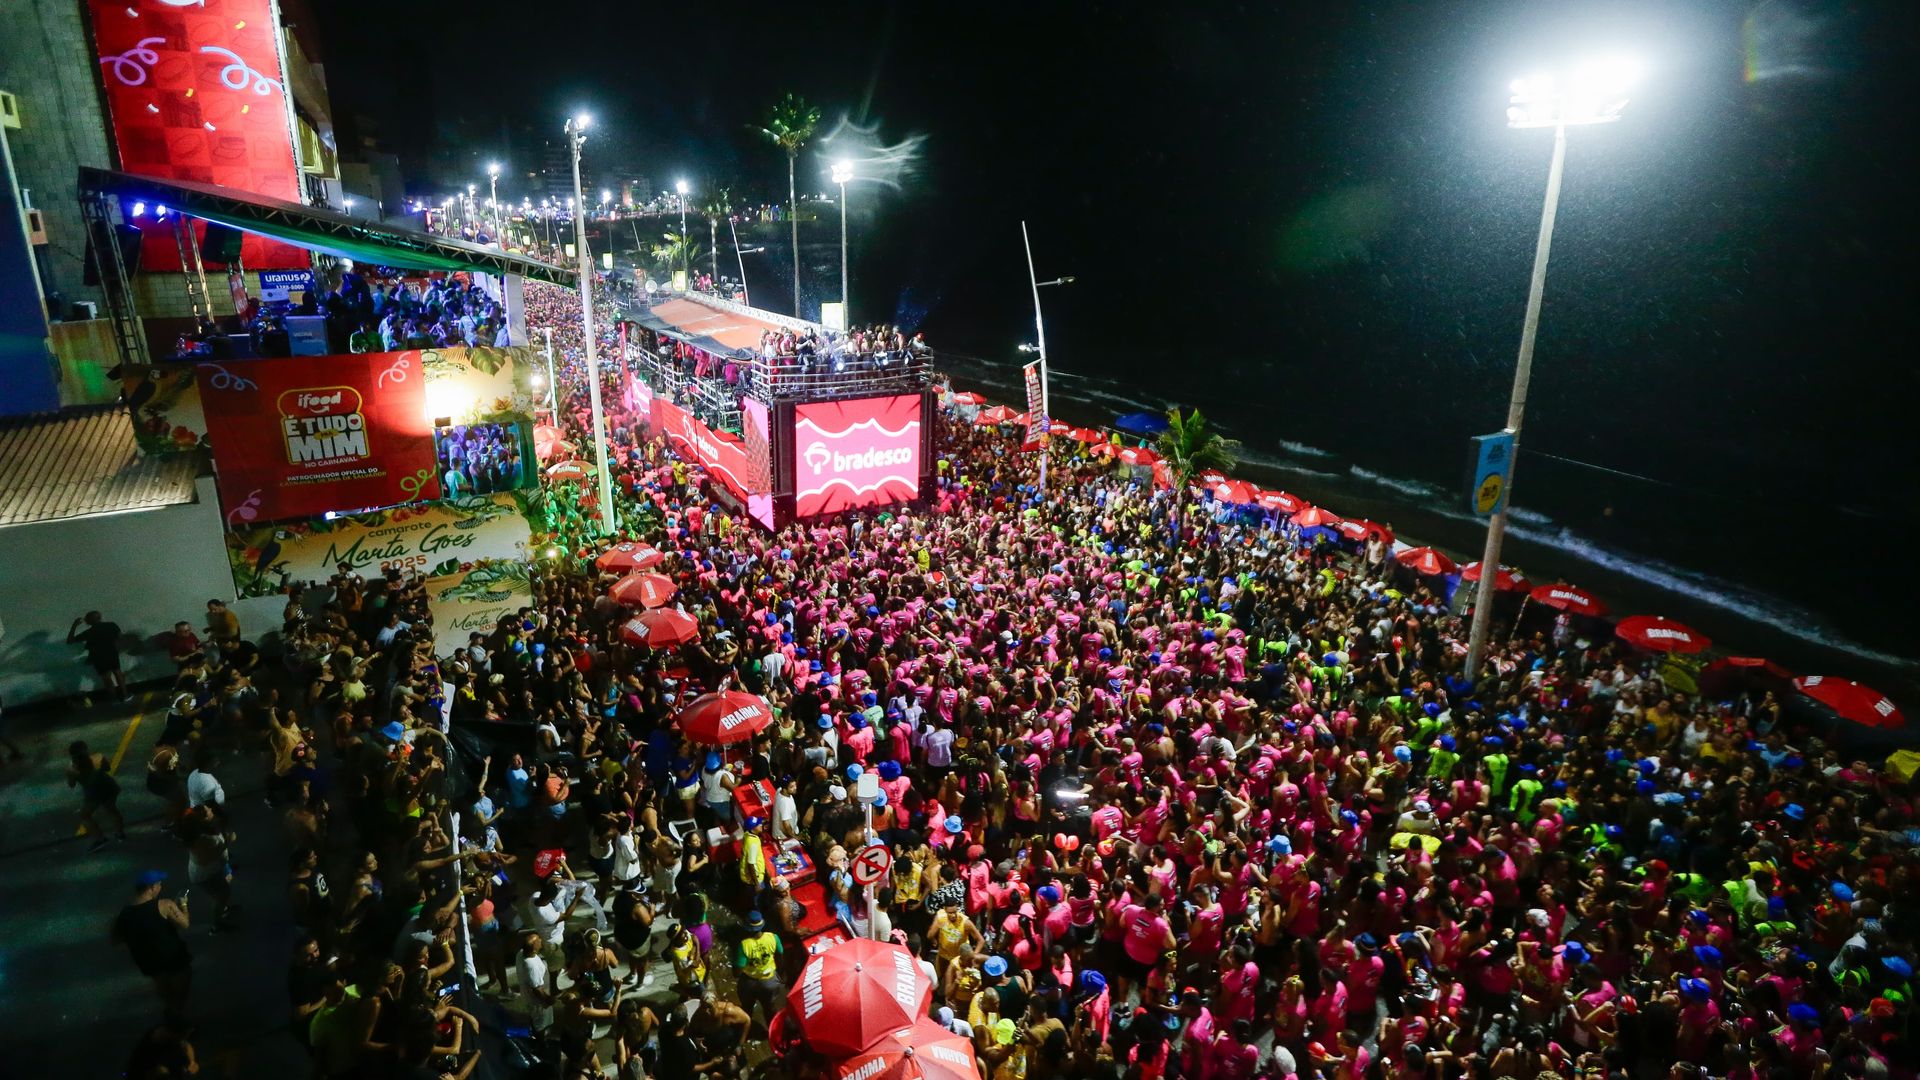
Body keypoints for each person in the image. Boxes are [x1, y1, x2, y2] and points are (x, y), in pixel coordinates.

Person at [111, 870, 192, 1024]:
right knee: (182, 984)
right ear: (151, 888)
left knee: (161, 983)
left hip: (147, 960)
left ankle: (170, 1008)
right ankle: (177, 1017)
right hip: (172, 956)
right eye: (159, 885)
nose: (160, 887)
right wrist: (183, 905)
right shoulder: (165, 905)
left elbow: (116, 939)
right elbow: (185, 924)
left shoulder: (125, 914)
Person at [67, 739, 127, 851]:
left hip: (93, 793)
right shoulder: (98, 757)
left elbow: (71, 784)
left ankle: (100, 839)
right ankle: (120, 834)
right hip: (108, 787)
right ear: (86, 749)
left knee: (85, 816)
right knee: (112, 810)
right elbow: (108, 768)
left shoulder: (71, 769)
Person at [731, 909, 784, 1035]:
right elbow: (780, 956)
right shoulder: (773, 938)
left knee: (747, 1008)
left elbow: (736, 973)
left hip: (750, 983)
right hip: (770, 981)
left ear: (747, 928)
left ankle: (745, 1031)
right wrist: (779, 975)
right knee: (769, 1008)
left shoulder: (744, 945)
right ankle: (774, 1033)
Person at [67, 610, 127, 703]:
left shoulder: (89, 632)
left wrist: (74, 625)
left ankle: (114, 698)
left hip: (98, 657)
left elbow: (70, 641)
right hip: (112, 653)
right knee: (118, 673)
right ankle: (124, 695)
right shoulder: (112, 625)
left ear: (90, 620)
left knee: (107, 678)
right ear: (99, 618)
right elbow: (121, 637)